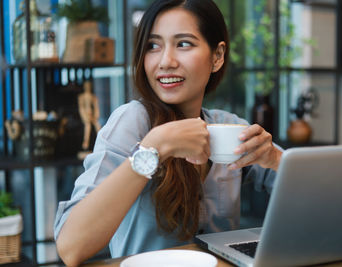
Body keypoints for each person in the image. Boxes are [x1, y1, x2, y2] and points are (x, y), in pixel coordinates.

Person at [54, 0, 282, 266]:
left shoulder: (229, 127)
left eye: (183, 43)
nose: (165, 61)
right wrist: (156, 147)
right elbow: (71, 247)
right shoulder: (132, 122)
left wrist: (275, 160)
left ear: (217, 56)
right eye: (153, 46)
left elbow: (323, 203)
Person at [78, 80, 101, 151]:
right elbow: (81, 108)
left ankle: (101, 141)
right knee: (87, 127)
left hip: (92, 115)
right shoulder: (81, 97)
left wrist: (96, 115)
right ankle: (85, 144)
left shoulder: (93, 97)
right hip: (86, 115)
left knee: (98, 126)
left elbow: (96, 107)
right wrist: (84, 116)